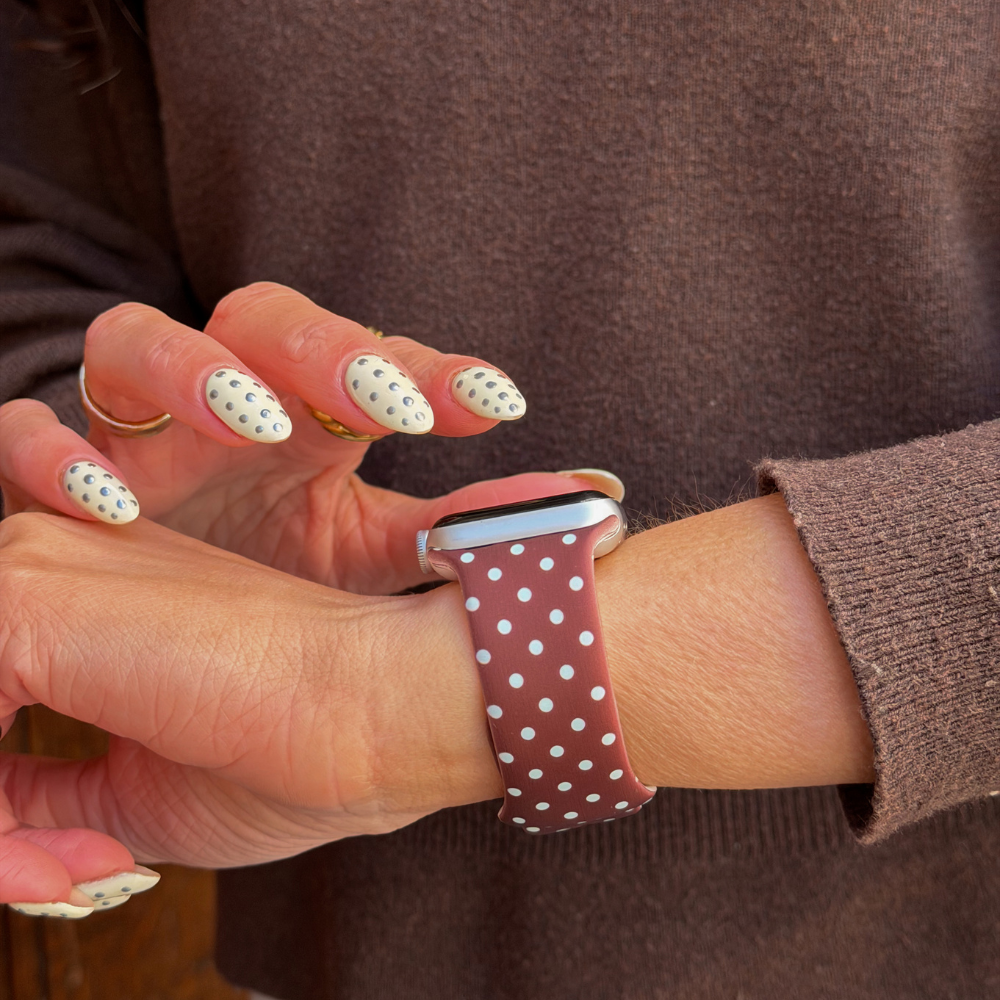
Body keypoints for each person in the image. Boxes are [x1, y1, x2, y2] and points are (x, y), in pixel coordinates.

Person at [1, 0, 997, 997]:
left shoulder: (360, 706)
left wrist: (385, 700)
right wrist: (134, 511)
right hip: (369, 941)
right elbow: (41, 243)